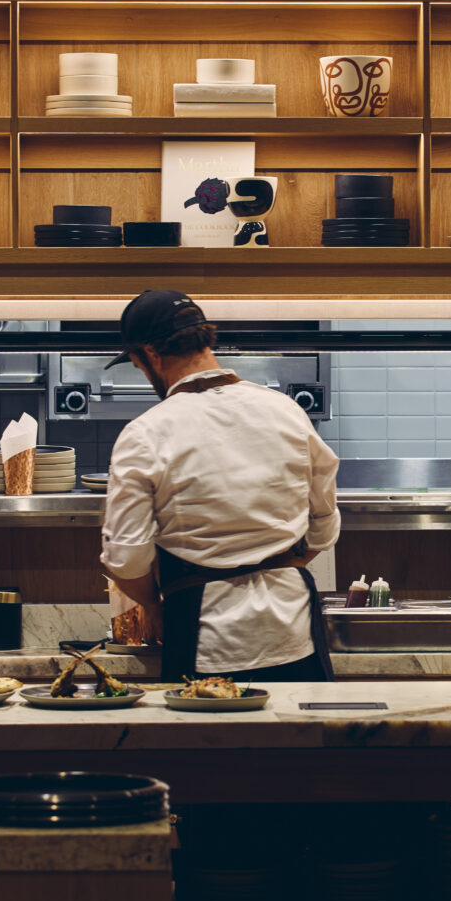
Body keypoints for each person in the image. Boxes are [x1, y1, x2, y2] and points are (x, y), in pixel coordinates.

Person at [99, 290, 341, 683]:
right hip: (295, 628)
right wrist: (272, 561)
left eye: (139, 366)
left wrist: (155, 605)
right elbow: (323, 528)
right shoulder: (286, 411)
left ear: (152, 355)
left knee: (208, 725)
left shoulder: (144, 434)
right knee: (297, 724)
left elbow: (126, 560)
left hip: (202, 634)